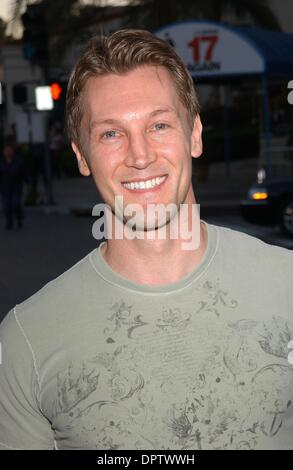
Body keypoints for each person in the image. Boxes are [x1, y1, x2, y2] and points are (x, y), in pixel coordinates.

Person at [0, 29, 293, 451]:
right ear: (82, 156)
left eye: (158, 124)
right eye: (111, 134)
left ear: (195, 134)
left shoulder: (286, 284)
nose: (140, 156)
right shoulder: (25, 340)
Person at [0, 141, 25, 230]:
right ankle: (9, 222)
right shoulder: (1, 162)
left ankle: (19, 218)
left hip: (16, 187)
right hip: (5, 188)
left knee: (16, 204)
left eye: (9, 150)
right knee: (7, 206)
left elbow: (23, 173)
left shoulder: (18, 161)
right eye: (6, 150)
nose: (7, 152)